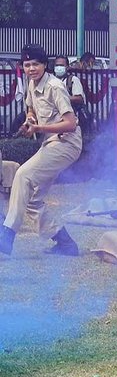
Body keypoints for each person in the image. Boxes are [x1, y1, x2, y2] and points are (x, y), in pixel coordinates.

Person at [0, 44, 82, 257]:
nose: (31, 68)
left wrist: (39, 128)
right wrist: (30, 119)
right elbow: (31, 108)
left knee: (22, 175)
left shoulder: (55, 86)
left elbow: (70, 123)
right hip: (51, 143)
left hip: (67, 143)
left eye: (35, 64)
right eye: (27, 65)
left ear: (45, 65)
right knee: (33, 200)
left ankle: (7, 234)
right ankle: (65, 243)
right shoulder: (31, 83)